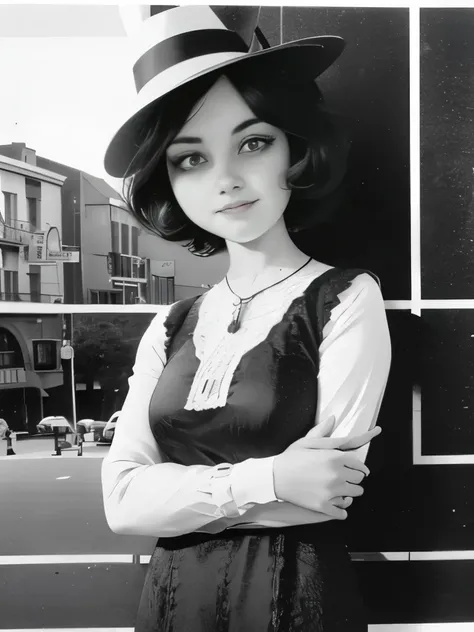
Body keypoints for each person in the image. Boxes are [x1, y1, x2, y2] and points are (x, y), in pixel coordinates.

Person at [101, 6, 392, 631]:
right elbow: (121, 503)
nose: (227, 180)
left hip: (295, 598)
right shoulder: (171, 325)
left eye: (253, 142)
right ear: (168, 179)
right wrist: (274, 478)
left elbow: (324, 497)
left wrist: (178, 498)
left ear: (295, 146)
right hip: (176, 604)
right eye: (191, 158)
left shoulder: (345, 299)